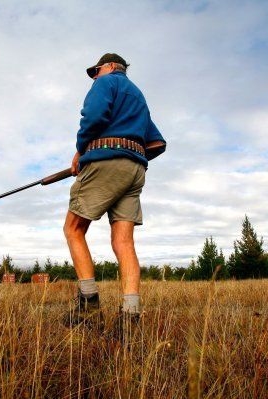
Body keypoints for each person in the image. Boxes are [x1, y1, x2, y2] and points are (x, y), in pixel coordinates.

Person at [62, 53, 166, 338]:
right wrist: (130, 154)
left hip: (106, 163)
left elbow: (94, 116)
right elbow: (156, 142)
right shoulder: (138, 96)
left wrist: (83, 150)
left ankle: (88, 307)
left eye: (96, 70)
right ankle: (130, 318)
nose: (95, 76)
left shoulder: (107, 83)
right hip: (136, 169)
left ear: (109, 67)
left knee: (73, 229)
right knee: (124, 242)